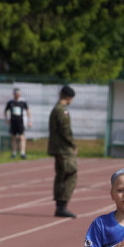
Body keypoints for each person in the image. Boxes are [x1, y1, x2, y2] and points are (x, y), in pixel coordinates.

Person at [48, 85, 77, 217]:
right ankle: (62, 205)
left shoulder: (55, 109)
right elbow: (65, 131)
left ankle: (59, 206)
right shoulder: (62, 111)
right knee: (70, 175)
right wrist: (73, 144)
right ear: (68, 97)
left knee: (61, 175)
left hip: (57, 148)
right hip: (64, 149)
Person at [4, 88, 30, 159]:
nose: (17, 95)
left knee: (22, 137)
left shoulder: (23, 102)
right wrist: (7, 119)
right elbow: (6, 111)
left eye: (18, 94)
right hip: (13, 121)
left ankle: (22, 152)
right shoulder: (10, 102)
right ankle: (14, 152)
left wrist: (29, 120)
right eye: (16, 94)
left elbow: (28, 111)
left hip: (20, 122)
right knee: (13, 137)